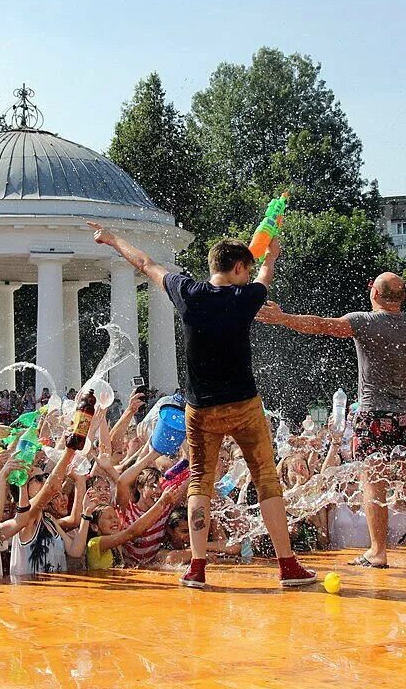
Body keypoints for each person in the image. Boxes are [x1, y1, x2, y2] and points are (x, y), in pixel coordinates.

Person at [89, 220, 316, 588]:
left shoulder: (187, 292)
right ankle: (288, 566)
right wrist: (271, 254)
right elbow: (266, 273)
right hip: (243, 404)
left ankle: (196, 568)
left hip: (201, 408)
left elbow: (145, 263)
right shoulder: (247, 298)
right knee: (266, 480)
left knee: (199, 485)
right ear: (239, 268)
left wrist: (113, 240)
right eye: (246, 270)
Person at [256, 272, 406, 567]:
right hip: (405, 416)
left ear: (376, 295)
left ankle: (378, 552)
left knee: (374, 482)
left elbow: (321, 325)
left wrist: (284, 318)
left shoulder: (365, 321)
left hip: (372, 415)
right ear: (401, 298)